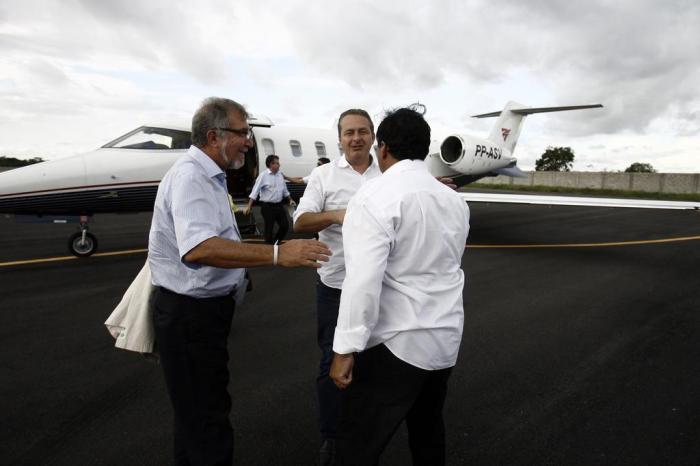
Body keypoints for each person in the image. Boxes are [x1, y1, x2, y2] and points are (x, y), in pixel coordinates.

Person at [148, 97, 331, 466]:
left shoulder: (209, 175)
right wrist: (279, 254)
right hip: (190, 317)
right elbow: (199, 248)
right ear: (214, 136)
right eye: (243, 132)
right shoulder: (191, 177)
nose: (248, 141)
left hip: (200, 316)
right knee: (207, 418)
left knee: (196, 417)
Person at [329, 105, 470, 465]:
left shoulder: (374, 197)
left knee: (356, 444)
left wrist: (345, 348)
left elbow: (362, 280)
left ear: (384, 148)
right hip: (444, 341)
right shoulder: (454, 201)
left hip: (397, 343)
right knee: (427, 433)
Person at [293, 109, 382, 464]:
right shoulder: (324, 175)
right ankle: (331, 437)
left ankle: (367, 435)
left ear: (373, 136)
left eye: (363, 131)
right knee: (331, 361)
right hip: (336, 287)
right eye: (349, 133)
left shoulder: (388, 174)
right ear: (340, 138)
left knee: (375, 364)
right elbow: (300, 220)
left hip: (381, 287)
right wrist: (336, 214)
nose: (356, 138)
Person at [243, 154, 296, 244]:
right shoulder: (263, 176)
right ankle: (269, 249)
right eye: (276, 163)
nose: (278, 165)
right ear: (270, 164)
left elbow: (285, 190)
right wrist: (249, 206)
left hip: (279, 206)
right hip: (267, 207)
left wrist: (290, 199)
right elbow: (255, 191)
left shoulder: (280, 175)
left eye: (278, 163)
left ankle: (275, 243)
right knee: (269, 229)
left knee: (285, 226)